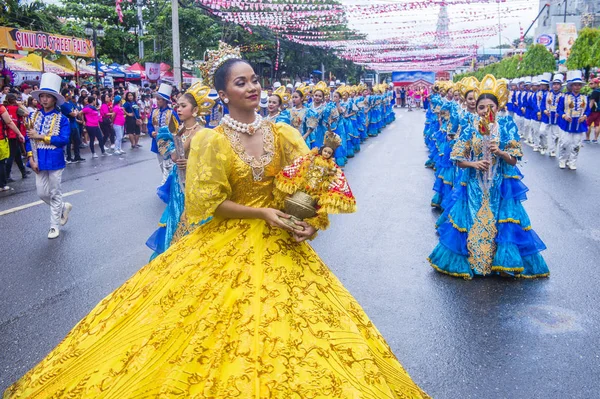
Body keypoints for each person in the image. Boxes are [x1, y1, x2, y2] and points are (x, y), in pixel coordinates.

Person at [4, 44, 430, 399]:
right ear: (222, 94)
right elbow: (208, 204)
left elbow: (305, 188)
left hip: (282, 245)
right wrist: (261, 212)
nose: (252, 88)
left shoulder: (282, 133)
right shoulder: (213, 139)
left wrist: (310, 223)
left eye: (255, 80)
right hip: (228, 238)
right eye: (240, 82)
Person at [428, 75, 549, 279]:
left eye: (490, 106)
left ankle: (498, 263)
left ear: (498, 106)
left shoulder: (506, 126)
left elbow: (514, 160)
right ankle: (475, 262)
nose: (486, 111)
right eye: (482, 107)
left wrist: (500, 152)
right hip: (474, 185)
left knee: (499, 223)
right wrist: (473, 163)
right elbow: (456, 157)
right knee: (473, 220)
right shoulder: (470, 127)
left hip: (499, 186)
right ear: (477, 109)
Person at [146, 83, 215, 259]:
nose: (179, 109)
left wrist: (191, 160)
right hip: (178, 182)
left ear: (195, 110)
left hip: (195, 184)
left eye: (183, 106)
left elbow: (209, 163)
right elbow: (176, 157)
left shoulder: (203, 133)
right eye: (178, 105)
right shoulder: (178, 130)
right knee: (176, 218)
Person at [24, 73, 72, 239]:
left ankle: (54, 226)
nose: (44, 100)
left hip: (55, 159)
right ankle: (63, 207)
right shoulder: (32, 116)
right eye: (42, 96)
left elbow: (63, 140)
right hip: (38, 159)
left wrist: (41, 137)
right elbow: (27, 139)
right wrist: (30, 158)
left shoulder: (62, 119)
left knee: (54, 192)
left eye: (48, 97)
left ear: (54, 99)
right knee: (41, 193)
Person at [557, 70, 590, 170]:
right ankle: (562, 160)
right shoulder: (564, 97)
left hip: (579, 124)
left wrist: (585, 116)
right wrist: (564, 116)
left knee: (576, 144)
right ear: (571, 86)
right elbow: (559, 109)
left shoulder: (585, 98)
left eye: (579, 85)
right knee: (565, 143)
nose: (577, 87)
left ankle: (572, 161)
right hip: (566, 123)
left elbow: (588, 110)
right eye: (575, 85)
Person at [148, 83, 179, 185]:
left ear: (164, 101)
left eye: (159, 99)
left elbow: (177, 128)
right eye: (157, 99)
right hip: (157, 143)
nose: (157, 101)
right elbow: (149, 124)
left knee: (170, 165)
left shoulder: (172, 113)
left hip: (169, 144)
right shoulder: (154, 112)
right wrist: (151, 131)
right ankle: (166, 182)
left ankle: (171, 183)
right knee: (162, 165)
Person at [2, 94, 29, 181]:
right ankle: (7, 175)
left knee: (17, 153)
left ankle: (23, 172)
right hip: (14, 133)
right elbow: (27, 113)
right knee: (11, 155)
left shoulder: (5, 108)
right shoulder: (16, 109)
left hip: (7, 133)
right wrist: (20, 104)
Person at [0, 100, 25, 191]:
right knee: (1, 162)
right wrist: (19, 133)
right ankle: (2, 184)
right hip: (1, 139)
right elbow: (9, 122)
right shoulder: (1, 108)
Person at [60, 89, 85, 163]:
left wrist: (75, 112)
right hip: (68, 126)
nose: (71, 95)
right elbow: (74, 114)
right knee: (69, 142)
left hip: (74, 125)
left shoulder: (70, 103)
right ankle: (69, 157)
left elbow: (77, 110)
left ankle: (77, 156)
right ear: (66, 95)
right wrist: (75, 112)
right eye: (70, 94)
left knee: (77, 141)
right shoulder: (63, 105)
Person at [585, 77, 600, 143]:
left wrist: (588, 111)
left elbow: (591, 102)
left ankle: (587, 138)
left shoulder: (594, 92)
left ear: (596, 84)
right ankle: (595, 139)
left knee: (588, 124)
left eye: (592, 83)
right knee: (597, 125)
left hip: (592, 111)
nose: (590, 85)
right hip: (599, 111)